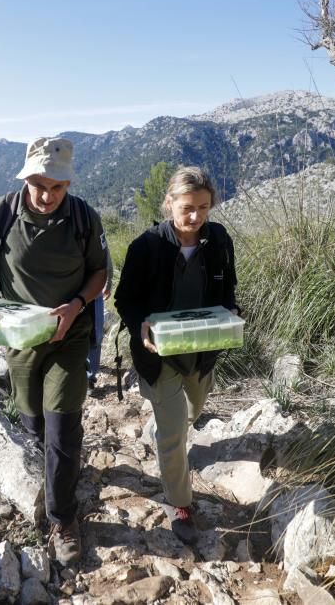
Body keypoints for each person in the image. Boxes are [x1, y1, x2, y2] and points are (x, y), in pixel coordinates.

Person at [0, 136, 107, 566]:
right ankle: (58, 468)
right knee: (33, 421)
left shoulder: (83, 217)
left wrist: (76, 305)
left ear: (68, 185)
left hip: (69, 333)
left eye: (57, 187)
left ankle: (63, 518)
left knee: (62, 422)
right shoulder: (1, 213)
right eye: (39, 185)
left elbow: (99, 273)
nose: (46, 196)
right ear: (25, 177)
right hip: (20, 336)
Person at [113, 166, 238, 544]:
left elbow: (227, 287)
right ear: (169, 204)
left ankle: (168, 434)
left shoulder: (217, 240)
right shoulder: (146, 247)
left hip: (201, 351)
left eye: (203, 207)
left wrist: (231, 313)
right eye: (187, 207)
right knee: (173, 434)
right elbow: (124, 300)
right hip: (159, 355)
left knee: (193, 412)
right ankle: (179, 503)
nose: (195, 216)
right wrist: (142, 324)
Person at [86, 250, 114, 387]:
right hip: (63, 293)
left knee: (95, 336)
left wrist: (107, 282)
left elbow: (103, 253)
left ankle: (89, 378)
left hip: (93, 290)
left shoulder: (88, 227)